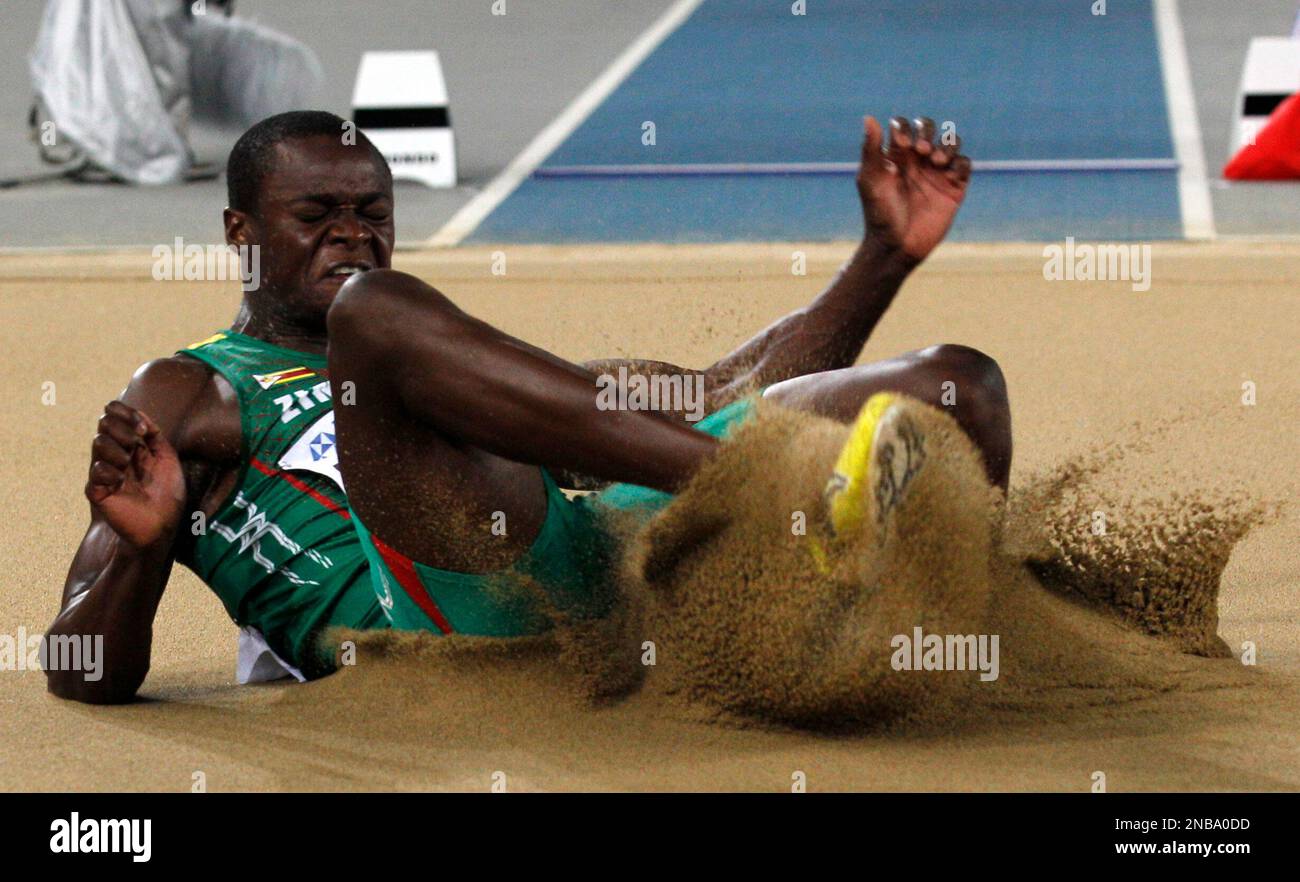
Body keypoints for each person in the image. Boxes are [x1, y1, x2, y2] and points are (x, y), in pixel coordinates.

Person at [46, 110, 1010, 704]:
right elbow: (80, 669)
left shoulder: (449, 362)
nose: (353, 234)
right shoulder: (189, 390)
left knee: (954, 384)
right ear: (239, 232)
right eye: (315, 217)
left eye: (373, 213)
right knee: (376, 314)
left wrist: (881, 258)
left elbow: (718, 392)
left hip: (584, 564)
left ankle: (895, 653)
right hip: (425, 616)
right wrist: (137, 548)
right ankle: (755, 490)